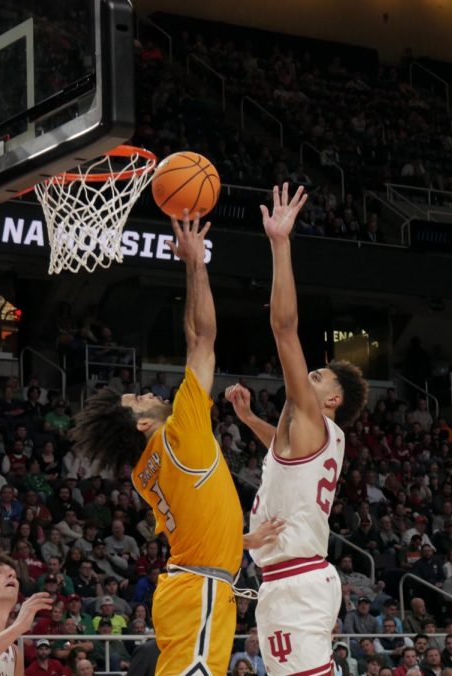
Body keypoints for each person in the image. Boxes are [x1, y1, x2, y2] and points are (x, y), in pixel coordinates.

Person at [70, 210, 283, 676]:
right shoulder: (178, 433)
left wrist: (240, 538)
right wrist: (195, 262)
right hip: (199, 591)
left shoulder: (145, 471)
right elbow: (201, 338)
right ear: (142, 424)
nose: (149, 393)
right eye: (140, 399)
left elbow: (191, 531)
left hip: (188, 585)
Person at [226, 183, 369, 675]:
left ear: (331, 400)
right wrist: (250, 421)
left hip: (295, 581)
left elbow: (284, 328)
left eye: (321, 376)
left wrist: (280, 244)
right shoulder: (321, 438)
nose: (311, 373)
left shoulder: (311, 418)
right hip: (294, 578)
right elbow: (286, 459)